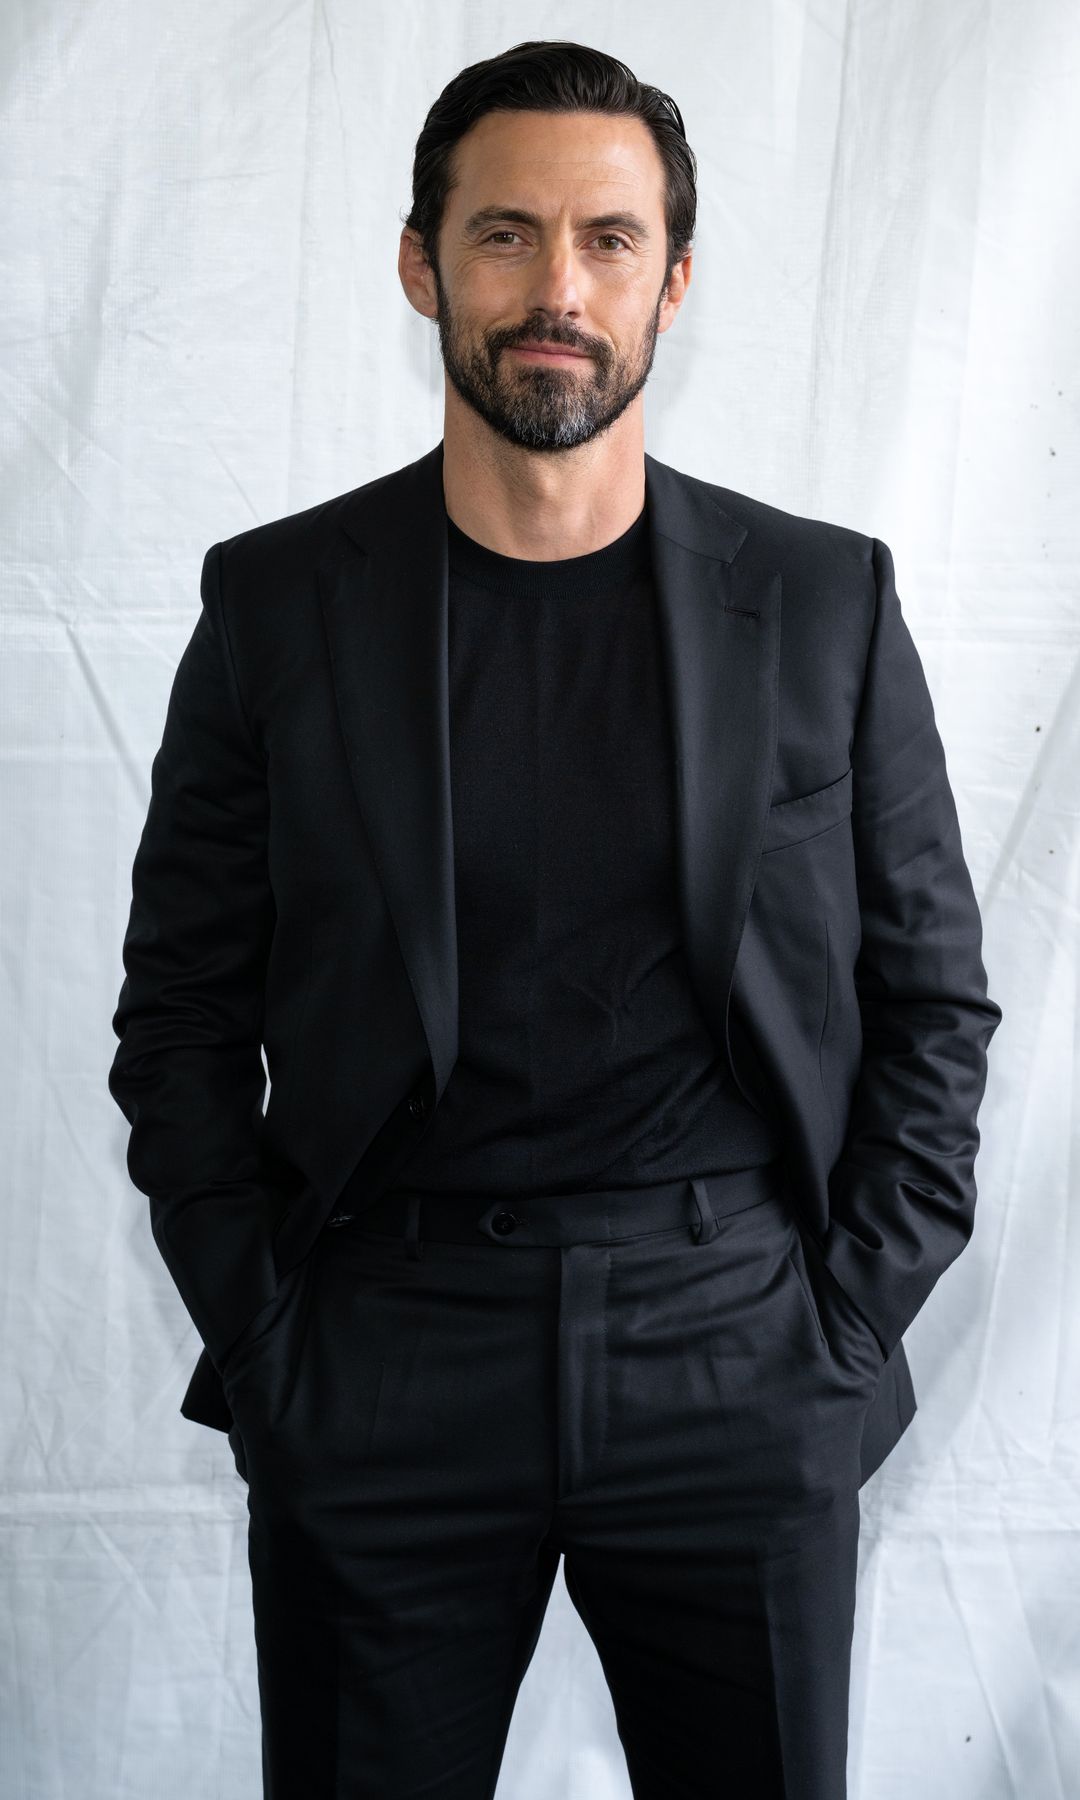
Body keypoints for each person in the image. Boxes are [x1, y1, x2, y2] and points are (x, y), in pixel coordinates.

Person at [107, 38, 1001, 1800]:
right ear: (420, 262)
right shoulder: (283, 603)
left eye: (608, 240)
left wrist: (836, 1338)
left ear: (673, 281)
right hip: (388, 1351)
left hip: (735, 1345)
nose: (556, 289)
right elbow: (181, 1013)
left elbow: (934, 1009)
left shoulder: (822, 601)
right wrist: (278, 1343)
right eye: (506, 234)